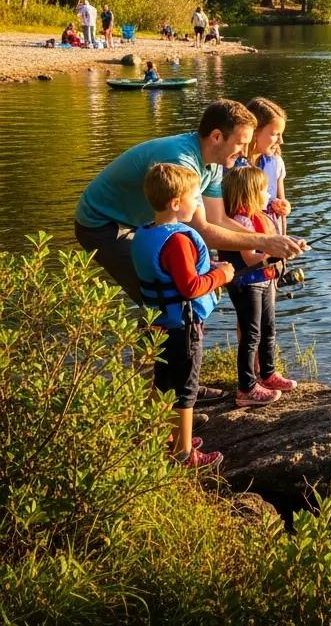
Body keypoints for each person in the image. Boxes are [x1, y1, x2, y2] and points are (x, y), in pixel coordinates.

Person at [74, 99, 305, 306]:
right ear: (216, 137)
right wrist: (265, 243)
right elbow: (202, 230)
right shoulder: (181, 162)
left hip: (141, 223)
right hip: (104, 224)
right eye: (241, 143)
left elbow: (217, 220)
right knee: (165, 298)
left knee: (185, 290)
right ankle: (158, 350)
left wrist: (274, 240)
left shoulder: (215, 162)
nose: (245, 152)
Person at [131, 163, 234, 469]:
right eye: (195, 198)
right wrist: (222, 275)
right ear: (176, 204)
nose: (198, 203)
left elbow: (171, 278)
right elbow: (190, 288)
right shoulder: (177, 240)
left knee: (165, 383)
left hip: (156, 322)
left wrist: (209, 271)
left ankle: (168, 440)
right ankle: (185, 454)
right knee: (185, 388)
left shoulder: (146, 232)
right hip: (181, 326)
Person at [221, 165, 297, 406]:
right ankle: (246, 387)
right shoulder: (241, 220)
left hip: (265, 281)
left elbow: (271, 243)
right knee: (251, 335)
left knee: (269, 329)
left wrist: (291, 245)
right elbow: (250, 258)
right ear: (249, 194)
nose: (268, 194)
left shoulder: (262, 214)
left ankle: (268, 373)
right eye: (263, 189)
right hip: (248, 283)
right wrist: (272, 254)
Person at [236, 97, 291, 230]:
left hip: (272, 238)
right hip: (247, 244)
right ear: (255, 132)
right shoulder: (232, 167)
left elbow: (282, 210)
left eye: (281, 134)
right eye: (275, 134)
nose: (281, 141)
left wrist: (284, 207)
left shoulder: (276, 162)